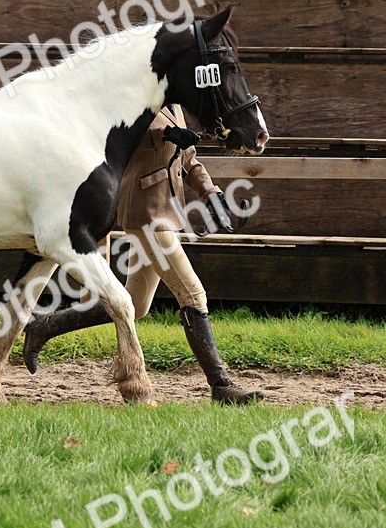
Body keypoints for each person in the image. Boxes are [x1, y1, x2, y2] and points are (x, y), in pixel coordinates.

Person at [22, 104, 262, 404]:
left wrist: (211, 193)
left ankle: (44, 326)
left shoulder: (174, 103)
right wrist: (169, 133)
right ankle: (221, 385)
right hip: (145, 212)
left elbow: (188, 159)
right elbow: (133, 132)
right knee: (194, 296)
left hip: (165, 212)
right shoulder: (138, 97)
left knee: (136, 305)